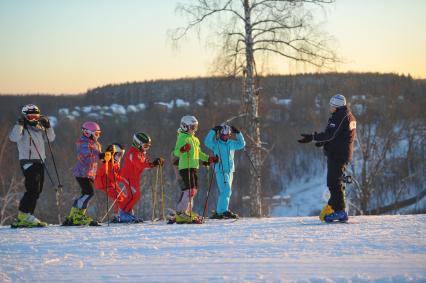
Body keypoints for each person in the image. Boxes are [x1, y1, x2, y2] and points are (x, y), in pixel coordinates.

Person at [298, 94, 357, 223]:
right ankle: (337, 209)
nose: (330, 108)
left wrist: (313, 137)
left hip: (337, 155)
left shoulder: (340, 117)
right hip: (341, 153)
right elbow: (339, 136)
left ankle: (340, 211)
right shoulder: (348, 115)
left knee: (334, 183)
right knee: (335, 183)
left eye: (331, 105)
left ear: (336, 106)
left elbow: (330, 135)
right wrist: (324, 142)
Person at [9, 104, 55, 228]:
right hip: (28, 161)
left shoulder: (39, 127)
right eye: (30, 117)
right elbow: (13, 138)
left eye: (36, 116)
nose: (33, 119)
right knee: (32, 189)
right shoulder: (22, 127)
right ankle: (23, 215)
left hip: (40, 161)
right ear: (25, 116)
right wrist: (19, 124)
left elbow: (50, 138)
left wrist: (48, 126)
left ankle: (28, 215)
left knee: (38, 190)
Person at [171, 115, 218, 224]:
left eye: (195, 127)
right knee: (189, 190)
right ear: (184, 127)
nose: (194, 130)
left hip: (193, 167)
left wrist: (208, 158)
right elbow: (176, 152)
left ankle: (187, 211)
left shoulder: (195, 139)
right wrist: (183, 149)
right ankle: (180, 213)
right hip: (185, 166)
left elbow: (199, 153)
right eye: (192, 127)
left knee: (193, 191)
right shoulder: (182, 137)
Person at [118, 132, 164, 223]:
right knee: (133, 195)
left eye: (148, 146)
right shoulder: (132, 153)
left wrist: (155, 163)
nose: (147, 148)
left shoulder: (140, 152)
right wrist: (152, 164)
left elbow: (145, 162)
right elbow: (140, 164)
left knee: (135, 196)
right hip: (128, 177)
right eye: (145, 146)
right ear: (138, 144)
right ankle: (123, 214)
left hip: (134, 177)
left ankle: (127, 212)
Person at [63, 121, 101, 226]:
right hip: (82, 173)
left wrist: (106, 154)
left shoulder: (95, 144)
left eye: (99, 134)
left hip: (88, 174)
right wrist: (100, 156)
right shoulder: (83, 143)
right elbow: (87, 155)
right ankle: (78, 216)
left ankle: (73, 215)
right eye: (96, 134)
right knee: (89, 193)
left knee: (86, 194)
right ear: (88, 133)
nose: (97, 136)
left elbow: (97, 154)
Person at [204, 124, 245, 219]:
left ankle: (221, 211)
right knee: (226, 190)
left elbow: (242, 144)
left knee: (227, 191)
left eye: (227, 135)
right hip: (220, 171)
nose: (225, 137)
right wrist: (213, 131)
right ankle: (221, 211)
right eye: (223, 135)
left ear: (230, 135)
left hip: (230, 171)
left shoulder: (231, 143)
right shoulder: (216, 144)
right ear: (220, 135)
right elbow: (207, 142)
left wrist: (238, 133)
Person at [94, 143, 126, 223]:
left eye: (122, 154)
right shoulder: (108, 163)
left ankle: (125, 214)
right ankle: (117, 216)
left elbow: (119, 173)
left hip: (110, 183)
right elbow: (113, 176)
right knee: (118, 198)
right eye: (119, 154)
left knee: (123, 197)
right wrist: (124, 180)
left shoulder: (115, 163)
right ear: (113, 154)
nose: (120, 157)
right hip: (104, 183)